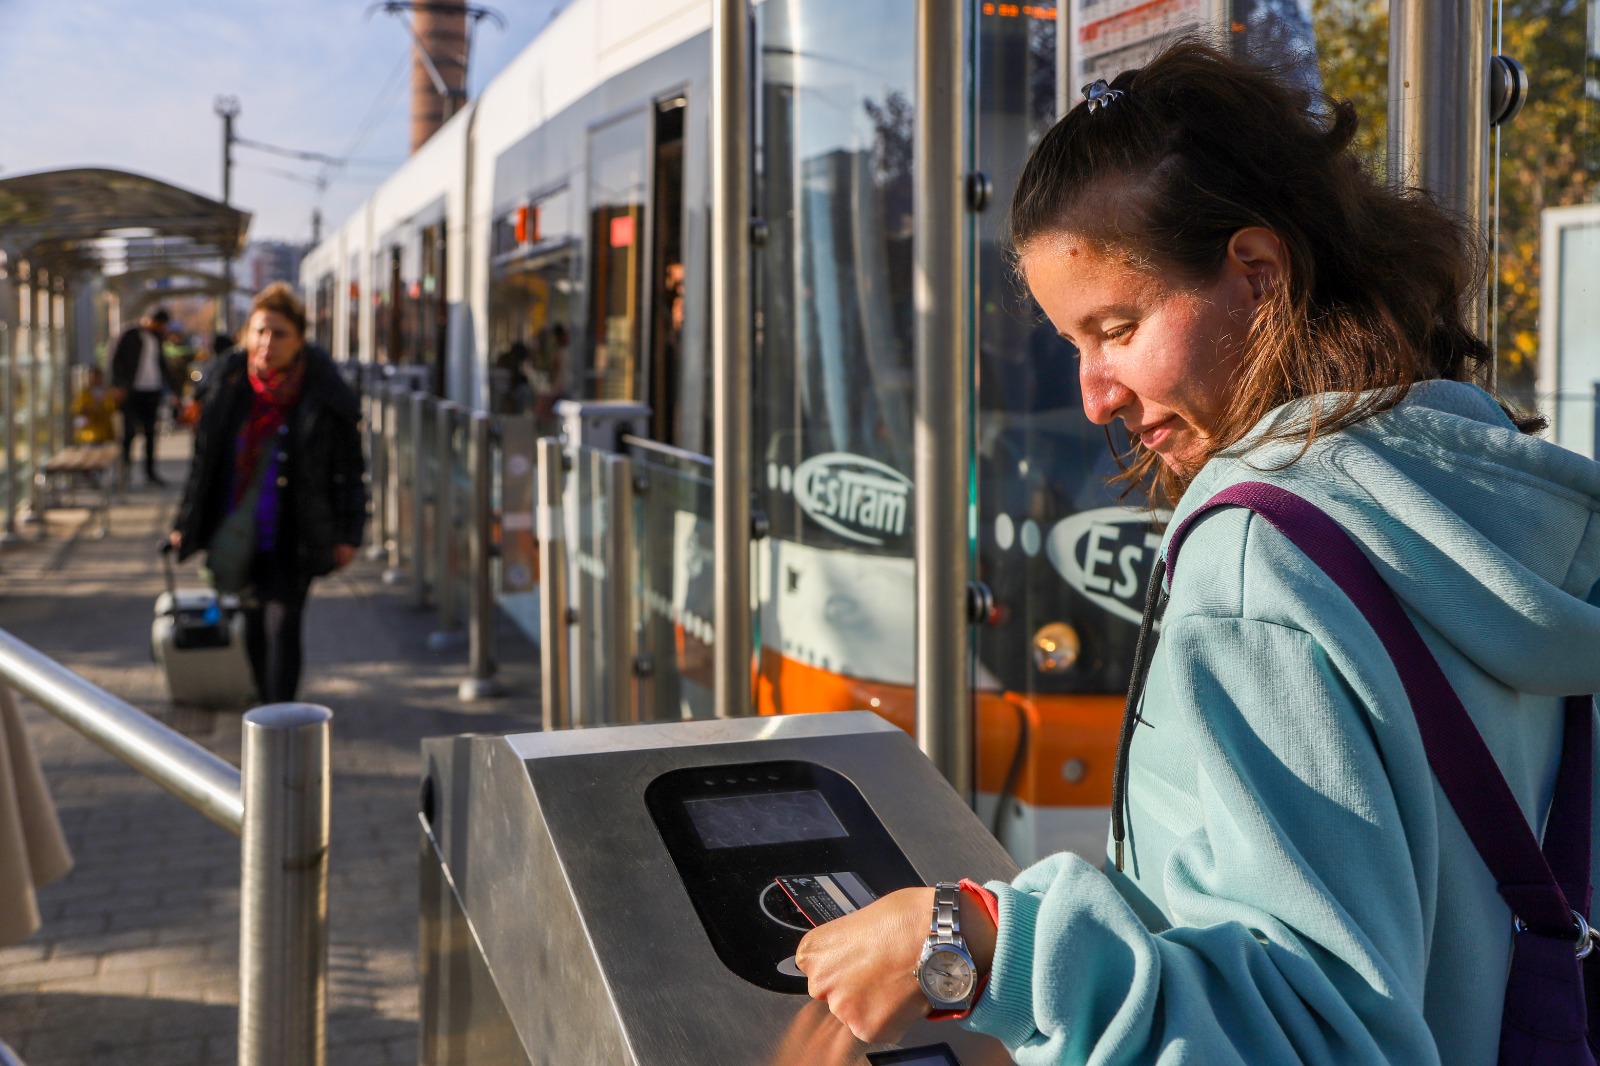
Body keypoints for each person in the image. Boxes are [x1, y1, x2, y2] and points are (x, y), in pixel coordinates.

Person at [794, 41, 1600, 1064]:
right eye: (1073, 345)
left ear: (1256, 275)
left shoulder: (1261, 558)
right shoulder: (1498, 503)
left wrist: (978, 947)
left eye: (1118, 328)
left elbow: (1314, 1030)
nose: (1094, 394)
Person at [170, 283, 366, 704]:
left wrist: (350, 533)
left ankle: (280, 720)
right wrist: (183, 524)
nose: (267, 342)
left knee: (283, 623)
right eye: (259, 331)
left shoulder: (324, 394)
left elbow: (350, 471)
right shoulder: (230, 386)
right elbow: (203, 466)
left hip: (296, 533)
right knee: (254, 624)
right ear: (247, 334)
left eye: (279, 333)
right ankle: (266, 707)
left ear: (299, 341)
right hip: (239, 527)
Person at [110, 308, 175, 485]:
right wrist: (119, 385)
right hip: (132, 391)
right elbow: (116, 360)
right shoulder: (130, 335)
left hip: (152, 390)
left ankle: (150, 472)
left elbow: (162, 365)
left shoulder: (157, 339)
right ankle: (125, 472)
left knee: (150, 433)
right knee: (129, 432)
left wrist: (172, 391)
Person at [70, 366, 119, 445]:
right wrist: (87, 408)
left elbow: (112, 408)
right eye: (93, 376)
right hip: (89, 434)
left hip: (105, 433)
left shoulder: (107, 392)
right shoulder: (84, 393)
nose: (95, 379)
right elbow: (76, 408)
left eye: (97, 377)